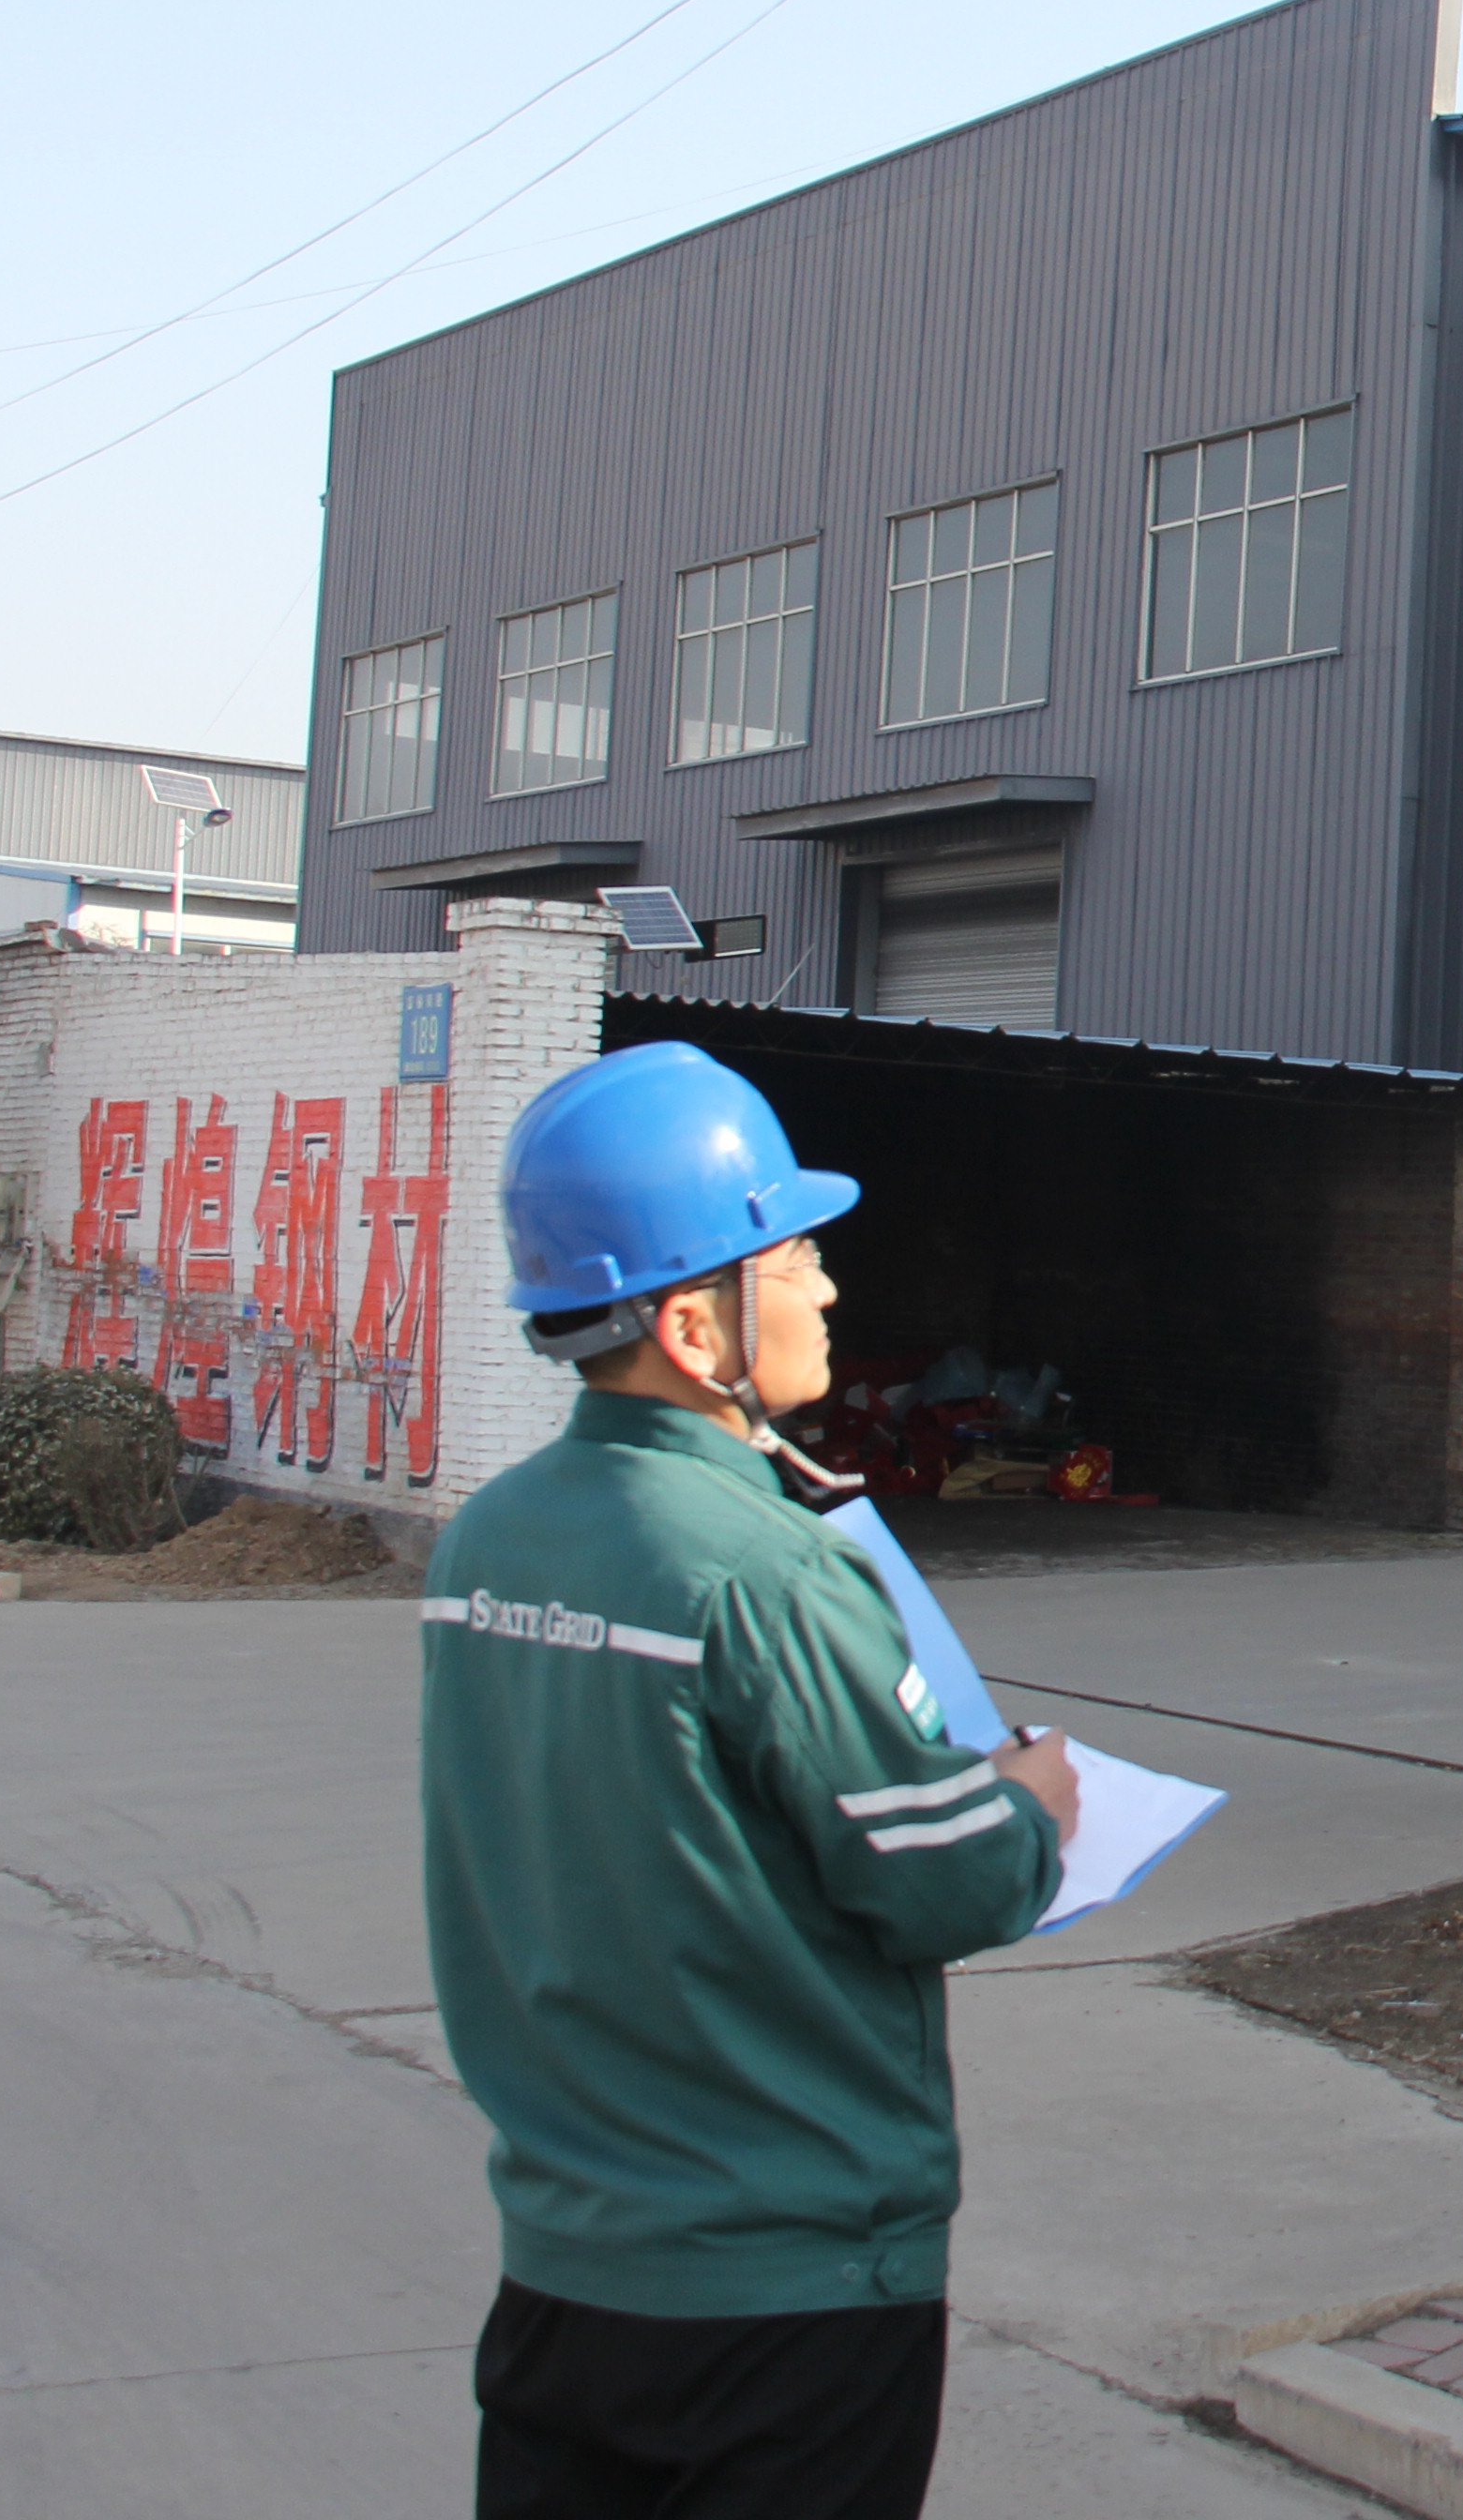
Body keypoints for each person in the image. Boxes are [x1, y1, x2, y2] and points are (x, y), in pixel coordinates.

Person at [420, 1041, 1078, 2520]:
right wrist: (1027, 1808)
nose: (829, 1290)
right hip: (784, 2293)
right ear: (692, 1325)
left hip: (566, 2272)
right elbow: (946, 1882)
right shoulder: (760, 1570)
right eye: (795, 1258)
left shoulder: (488, 1542)